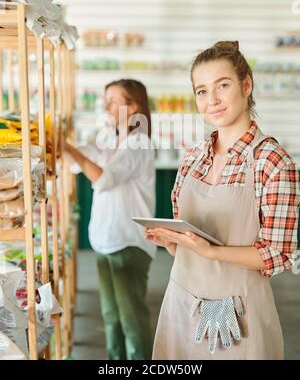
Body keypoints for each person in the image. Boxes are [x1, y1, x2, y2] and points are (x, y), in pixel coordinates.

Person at [146, 41, 299, 360]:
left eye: (223, 85)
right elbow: (186, 243)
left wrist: (212, 251)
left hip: (239, 313)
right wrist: (170, 240)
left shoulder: (272, 162)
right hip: (182, 303)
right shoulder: (192, 157)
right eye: (201, 91)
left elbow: (278, 255)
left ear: (246, 85)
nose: (211, 100)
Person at [65, 79, 156, 360]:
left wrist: (68, 148)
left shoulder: (138, 144)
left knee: (131, 320)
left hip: (128, 245)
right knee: (111, 317)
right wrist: (66, 143)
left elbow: (102, 178)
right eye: (106, 100)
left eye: (114, 100)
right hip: (106, 242)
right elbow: (77, 161)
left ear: (133, 108)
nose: (106, 105)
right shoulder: (112, 140)